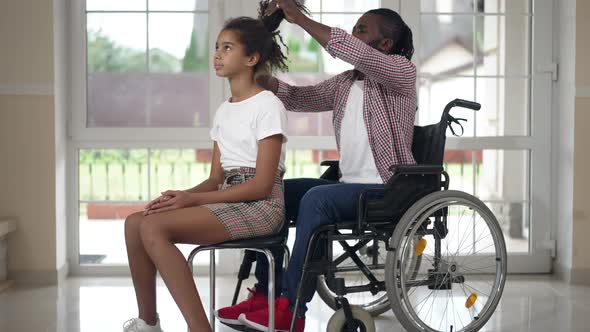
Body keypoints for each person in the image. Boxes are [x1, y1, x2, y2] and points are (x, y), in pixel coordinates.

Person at [216, 1, 417, 331]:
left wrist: (298, 18)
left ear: (386, 44)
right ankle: (265, 296)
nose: (354, 34)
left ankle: (291, 309)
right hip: (350, 186)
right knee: (281, 190)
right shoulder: (344, 84)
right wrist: (262, 81)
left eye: (362, 30)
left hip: (388, 188)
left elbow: (352, 51)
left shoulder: (401, 74)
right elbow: (298, 99)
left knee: (316, 199)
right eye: (354, 28)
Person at [121, 13, 290, 332]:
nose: (217, 55)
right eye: (217, 47)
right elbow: (216, 179)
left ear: (251, 58)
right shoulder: (224, 110)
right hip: (229, 196)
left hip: (262, 205)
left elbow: (263, 186)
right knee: (135, 224)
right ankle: (148, 323)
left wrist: (193, 199)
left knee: (154, 229)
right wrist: (180, 197)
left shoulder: (268, 105)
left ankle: (200, 328)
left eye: (227, 48)